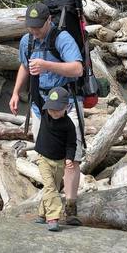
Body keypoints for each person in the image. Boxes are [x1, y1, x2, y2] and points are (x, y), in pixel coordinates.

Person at [10, 2, 85, 225]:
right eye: (31, 26)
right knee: (45, 155)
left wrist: (47, 65)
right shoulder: (27, 40)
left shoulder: (62, 39)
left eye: (38, 27)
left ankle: (70, 208)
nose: (34, 31)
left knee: (72, 157)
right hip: (40, 105)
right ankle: (49, 205)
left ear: (48, 21)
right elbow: (25, 66)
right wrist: (15, 93)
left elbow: (77, 69)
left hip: (66, 104)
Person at [34, 88, 77, 232]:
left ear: (66, 107)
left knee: (52, 187)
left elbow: (71, 144)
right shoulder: (45, 113)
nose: (53, 112)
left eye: (57, 109)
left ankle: (42, 213)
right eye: (51, 108)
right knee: (51, 187)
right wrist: (34, 73)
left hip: (59, 161)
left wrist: (69, 158)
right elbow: (34, 93)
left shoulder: (68, 124)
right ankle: (53, 217)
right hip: (43, 159)